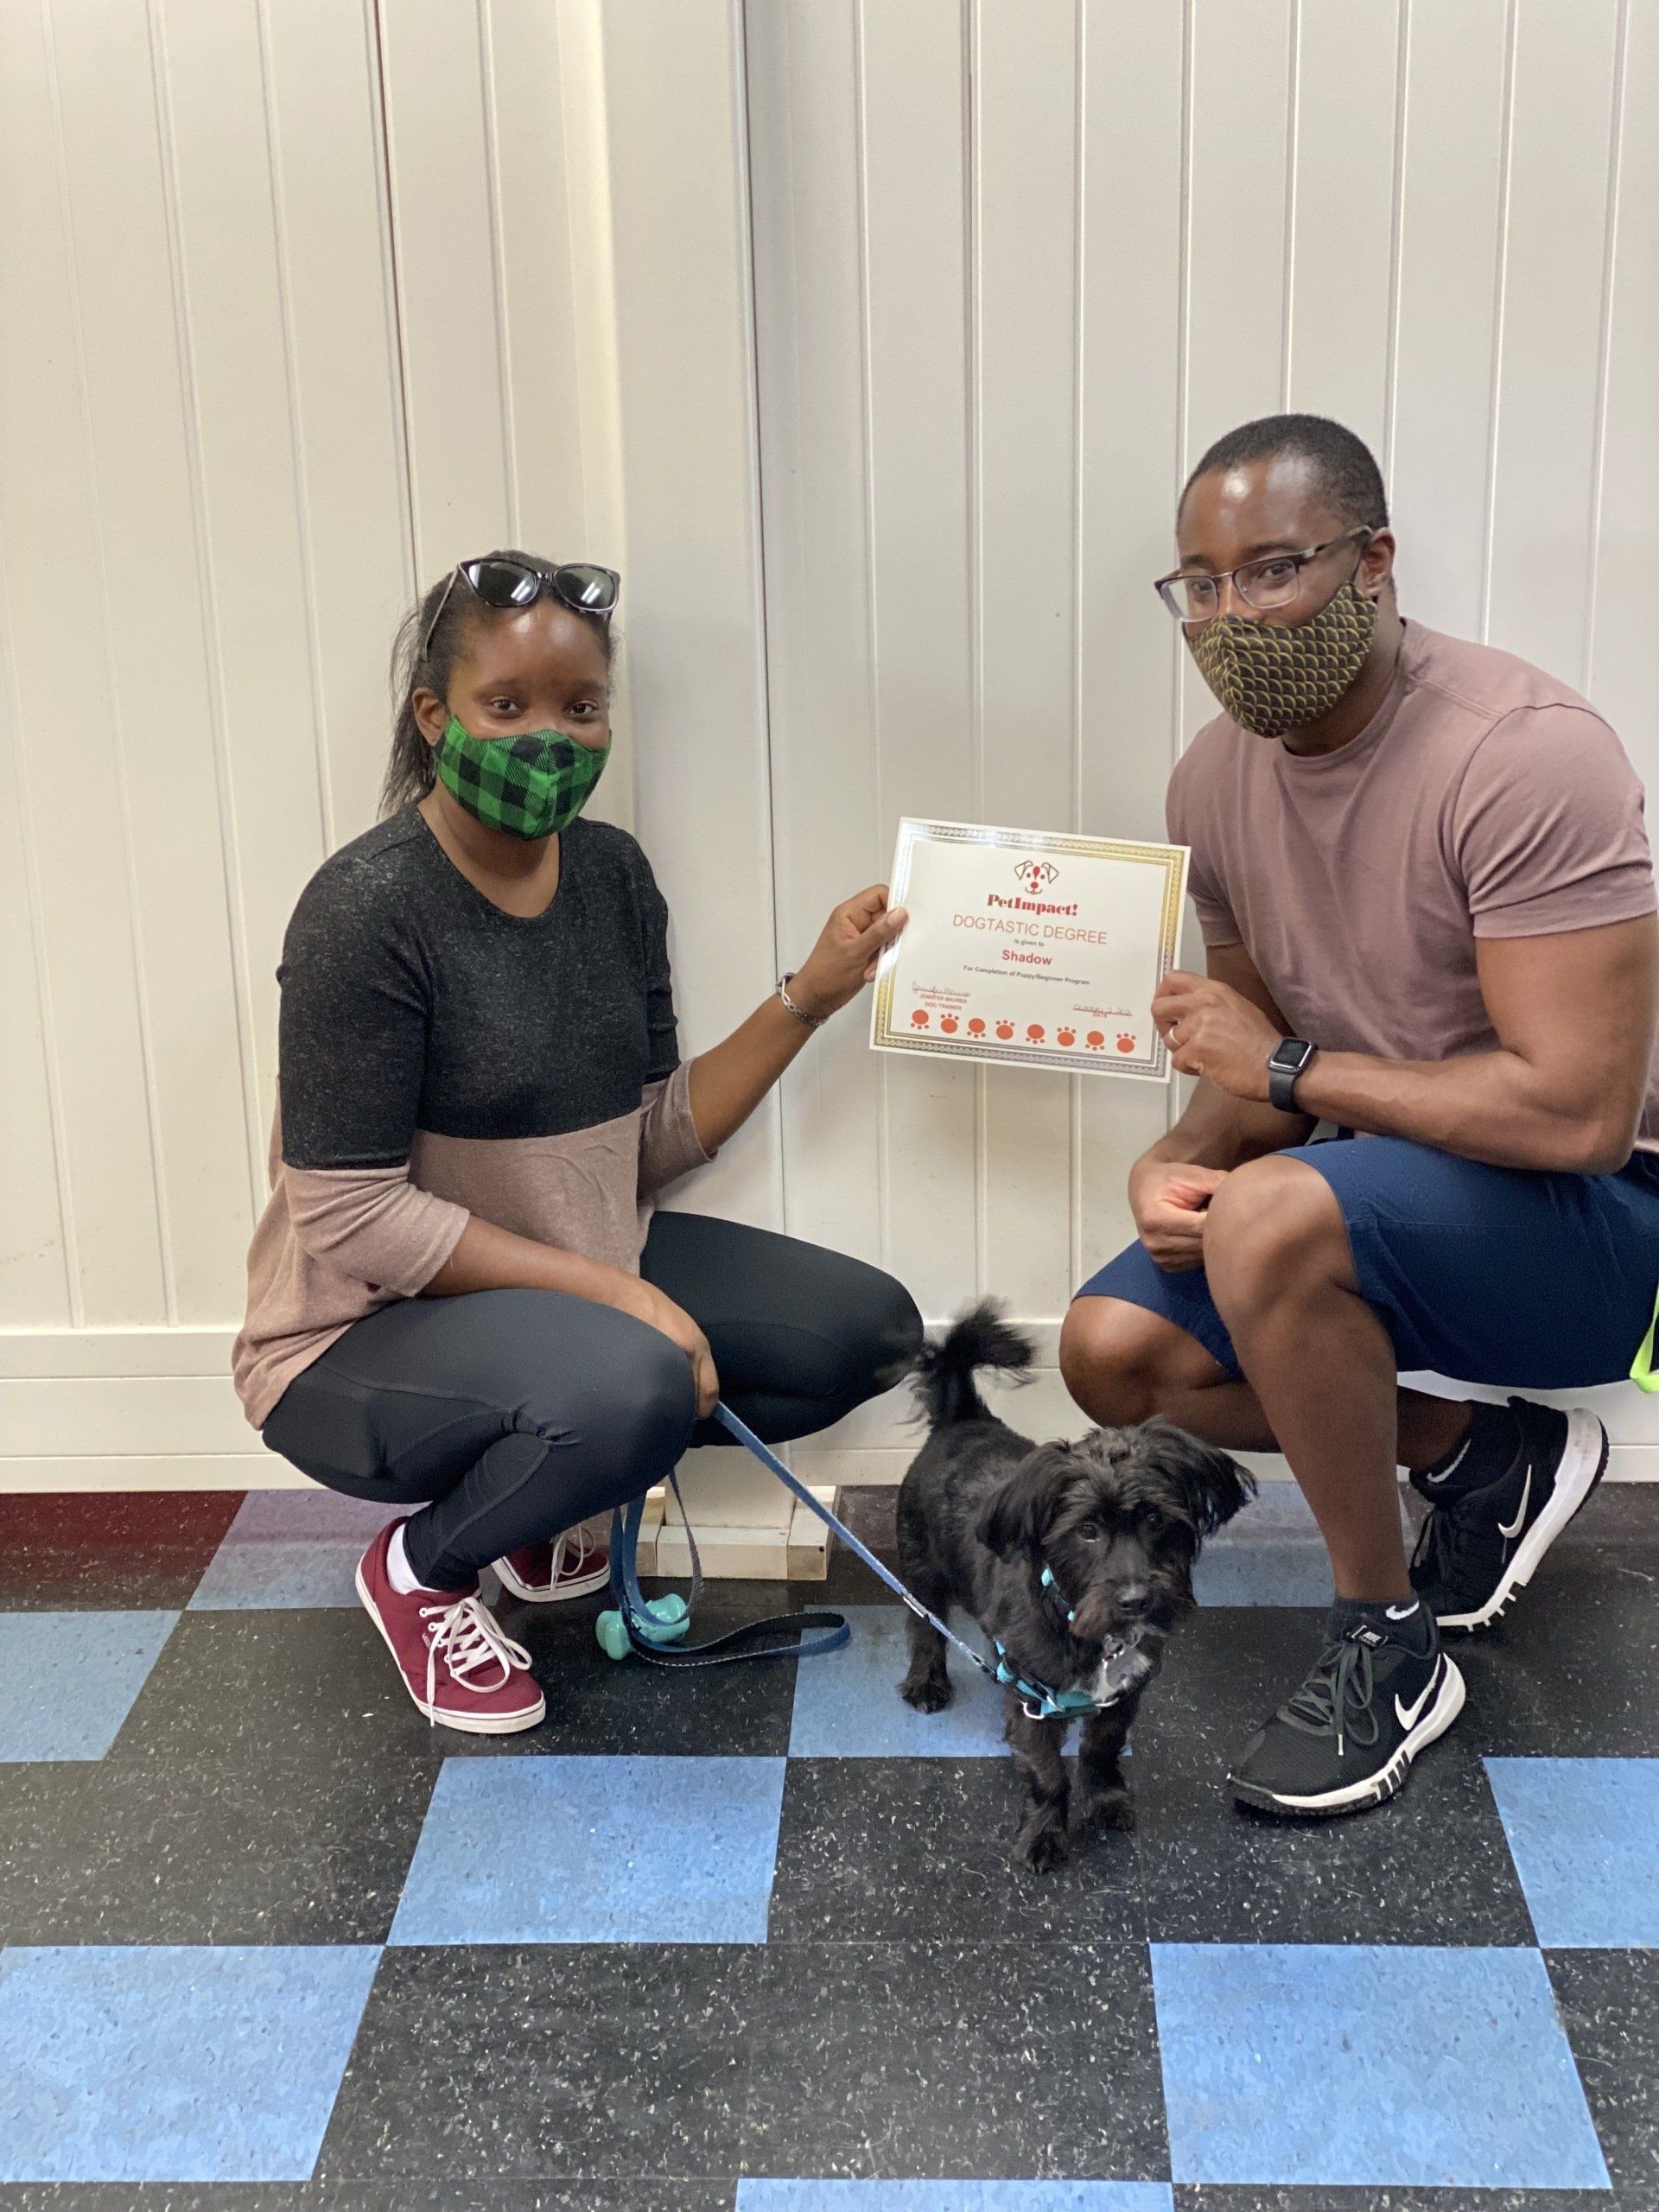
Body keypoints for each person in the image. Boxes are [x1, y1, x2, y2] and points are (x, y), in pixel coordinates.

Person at [1061, 416, 1659, 1818]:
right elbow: (1248, 1052)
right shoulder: (1214, 779)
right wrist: (1177, 1154)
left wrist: (1279, 1083)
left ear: (1376, 561)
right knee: (1111, 1352)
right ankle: (1479, 1459)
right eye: (1199, 585)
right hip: (1375, 1198)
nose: (1229, 615)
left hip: (1605, 1232)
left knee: (1277, 1212)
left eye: (1272, 570)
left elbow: (1577, 1112)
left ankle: (1388, 1646)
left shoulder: (1527, 755)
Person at [233, 551, 922, 1732]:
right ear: (435, 717)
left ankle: (549, 1504)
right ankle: (422, 1570)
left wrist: (811, 993)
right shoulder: (366, 910)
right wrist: (622, 1299)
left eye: (580, 706)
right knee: (632, 1379)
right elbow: (348, 1216)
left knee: (859, 1335)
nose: (551, 736)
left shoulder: (611, 876)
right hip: (353, 1333)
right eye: (509, 706)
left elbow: (645, 1140)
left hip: (560, 1273)